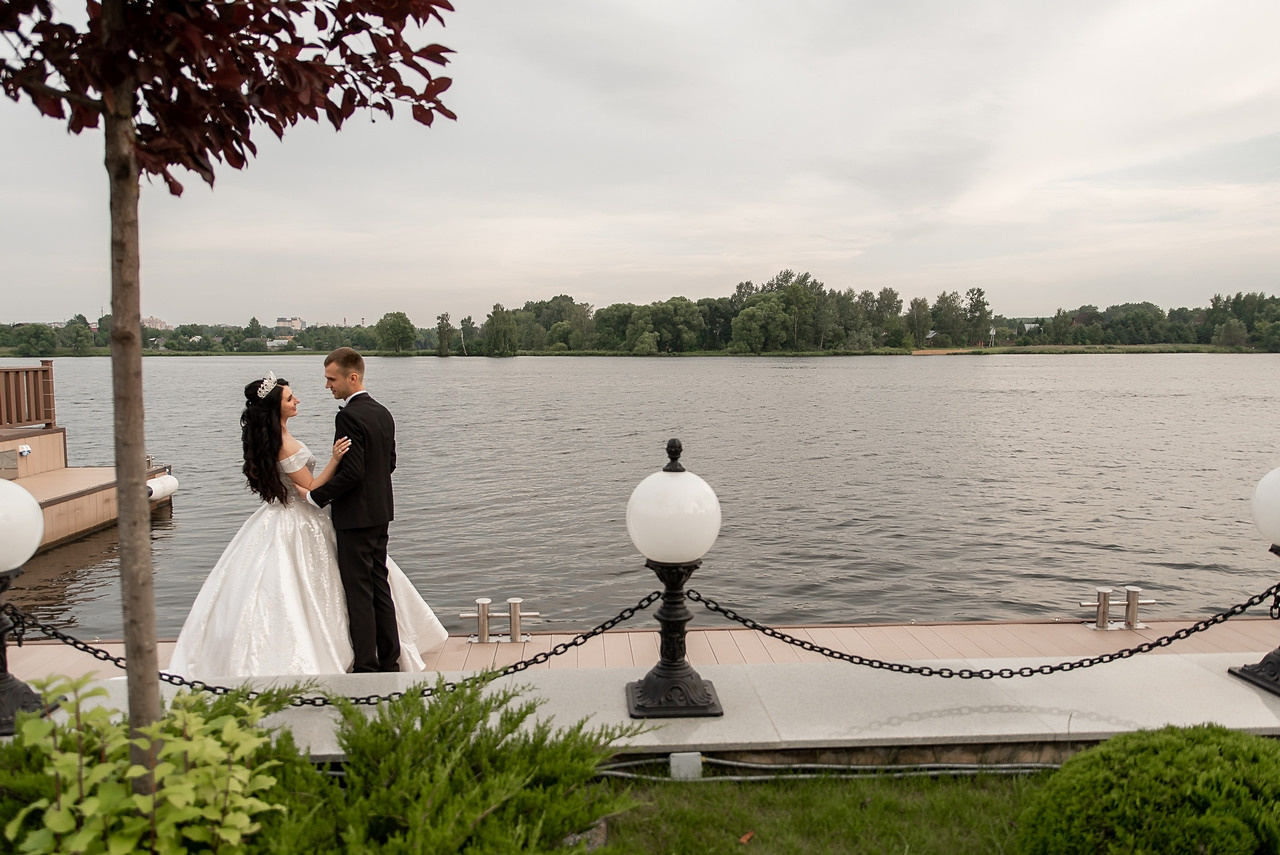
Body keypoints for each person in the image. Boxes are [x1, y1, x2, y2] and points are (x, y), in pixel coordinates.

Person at [167, 372, 446, 680]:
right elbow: (311, 487)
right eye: (289, 398)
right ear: (276, 408)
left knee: (355, 584)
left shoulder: (281, 437)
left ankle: (369, 655)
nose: (296, 399)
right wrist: (335, 460)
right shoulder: (282, 444)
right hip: (299, 518)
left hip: (302, 512)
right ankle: (366, 657)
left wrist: (321, 486)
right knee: (337, 584)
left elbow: (309, 490)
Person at [303, 348, 402, 672]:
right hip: (380, 513)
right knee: (379, 587)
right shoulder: (382, 412)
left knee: (359, 593)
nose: (328, 386)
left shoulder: (347, 416)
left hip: (355, 519)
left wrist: (316, 497)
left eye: (332, 379)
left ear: (352, 377)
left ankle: (366, 666)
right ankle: (389, 659)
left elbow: (352, 472)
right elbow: (389, 464)